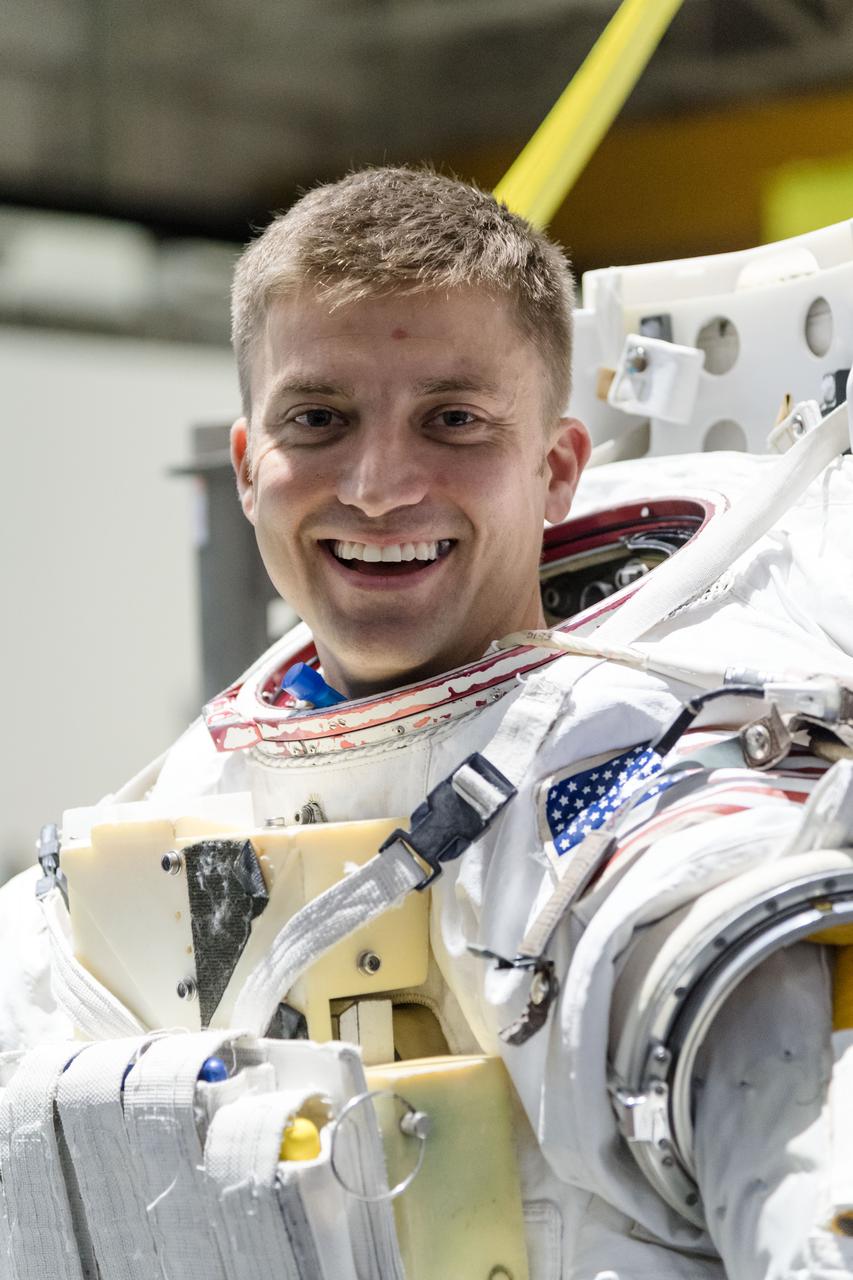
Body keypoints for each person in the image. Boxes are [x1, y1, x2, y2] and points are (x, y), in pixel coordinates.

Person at [2, 166, 853, 1280]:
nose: (378, 482)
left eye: (453, 419)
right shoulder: (136, 854)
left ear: (555, 471)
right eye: (320, 418)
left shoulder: (663, 832)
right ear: (250, 467)